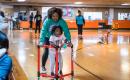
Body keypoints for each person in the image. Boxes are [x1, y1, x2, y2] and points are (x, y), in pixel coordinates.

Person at [39, 7, 72, 72]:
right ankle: (43, 66)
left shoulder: (62, 21)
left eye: (57, 16)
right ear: (50, 16)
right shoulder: (48, 21)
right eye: (53, 16)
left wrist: (68, 41)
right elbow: (43, 31)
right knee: (46, 51)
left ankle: (58, 68)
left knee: (57, 52)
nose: (55, 18)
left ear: (59, 16)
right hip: (47, 37)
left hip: (57, 38)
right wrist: (41, 41)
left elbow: (66, 31)